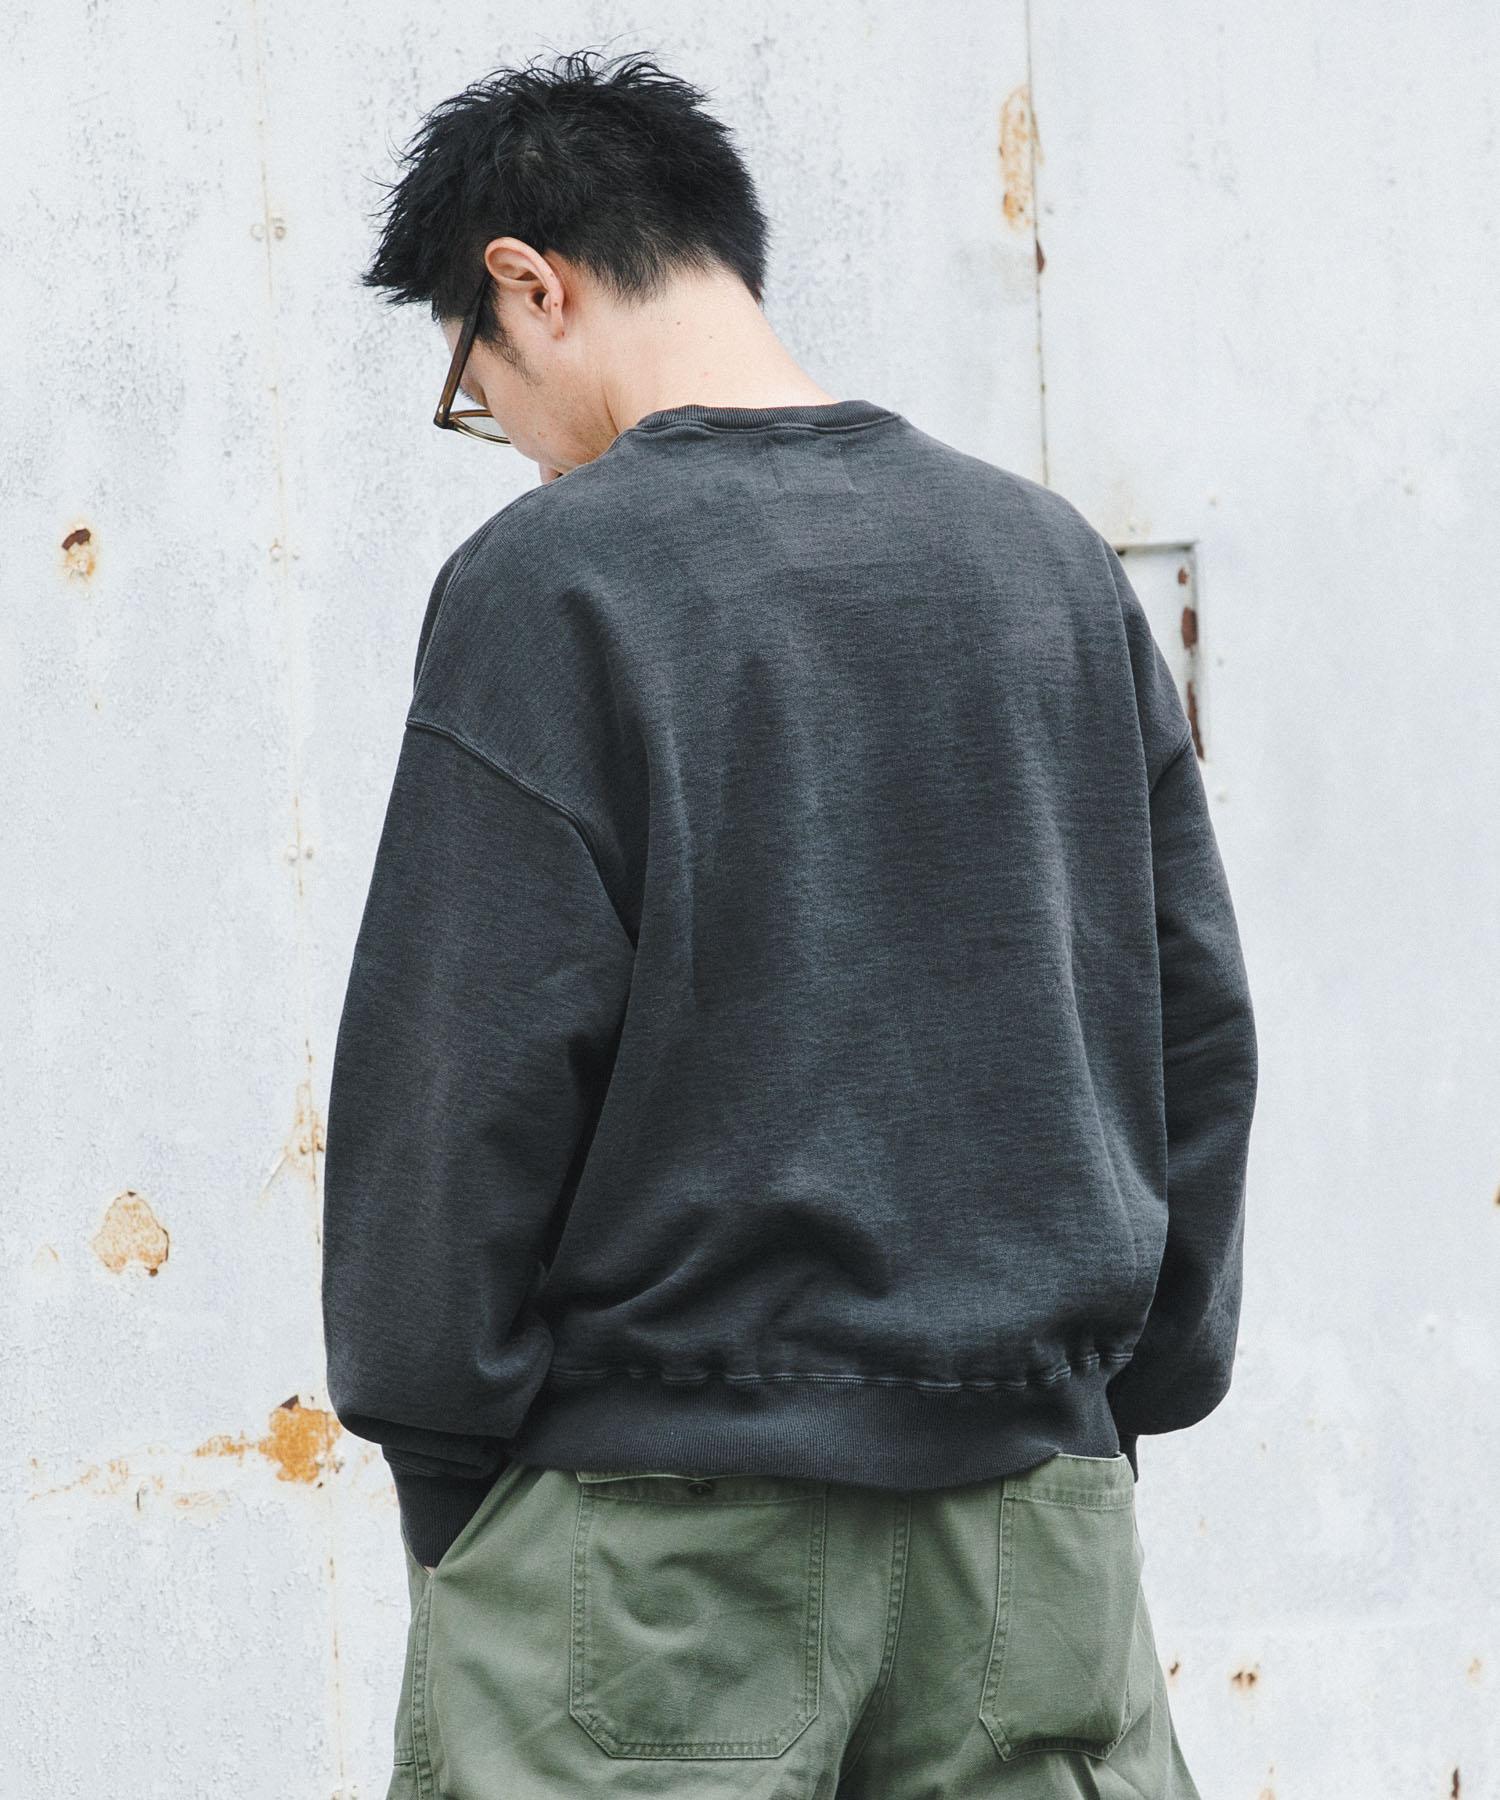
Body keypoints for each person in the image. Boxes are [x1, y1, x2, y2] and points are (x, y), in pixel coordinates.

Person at [320, 46, 1258, 1800]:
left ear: (530, 285)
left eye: (475, 387)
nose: (506, 440)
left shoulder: (557, 581)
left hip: (654, 1547)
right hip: (1029, 1538)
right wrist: (1108, 1403)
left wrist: (449, 1477)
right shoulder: (1045, 563)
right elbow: (1192, 1024)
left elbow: (460, 1078)